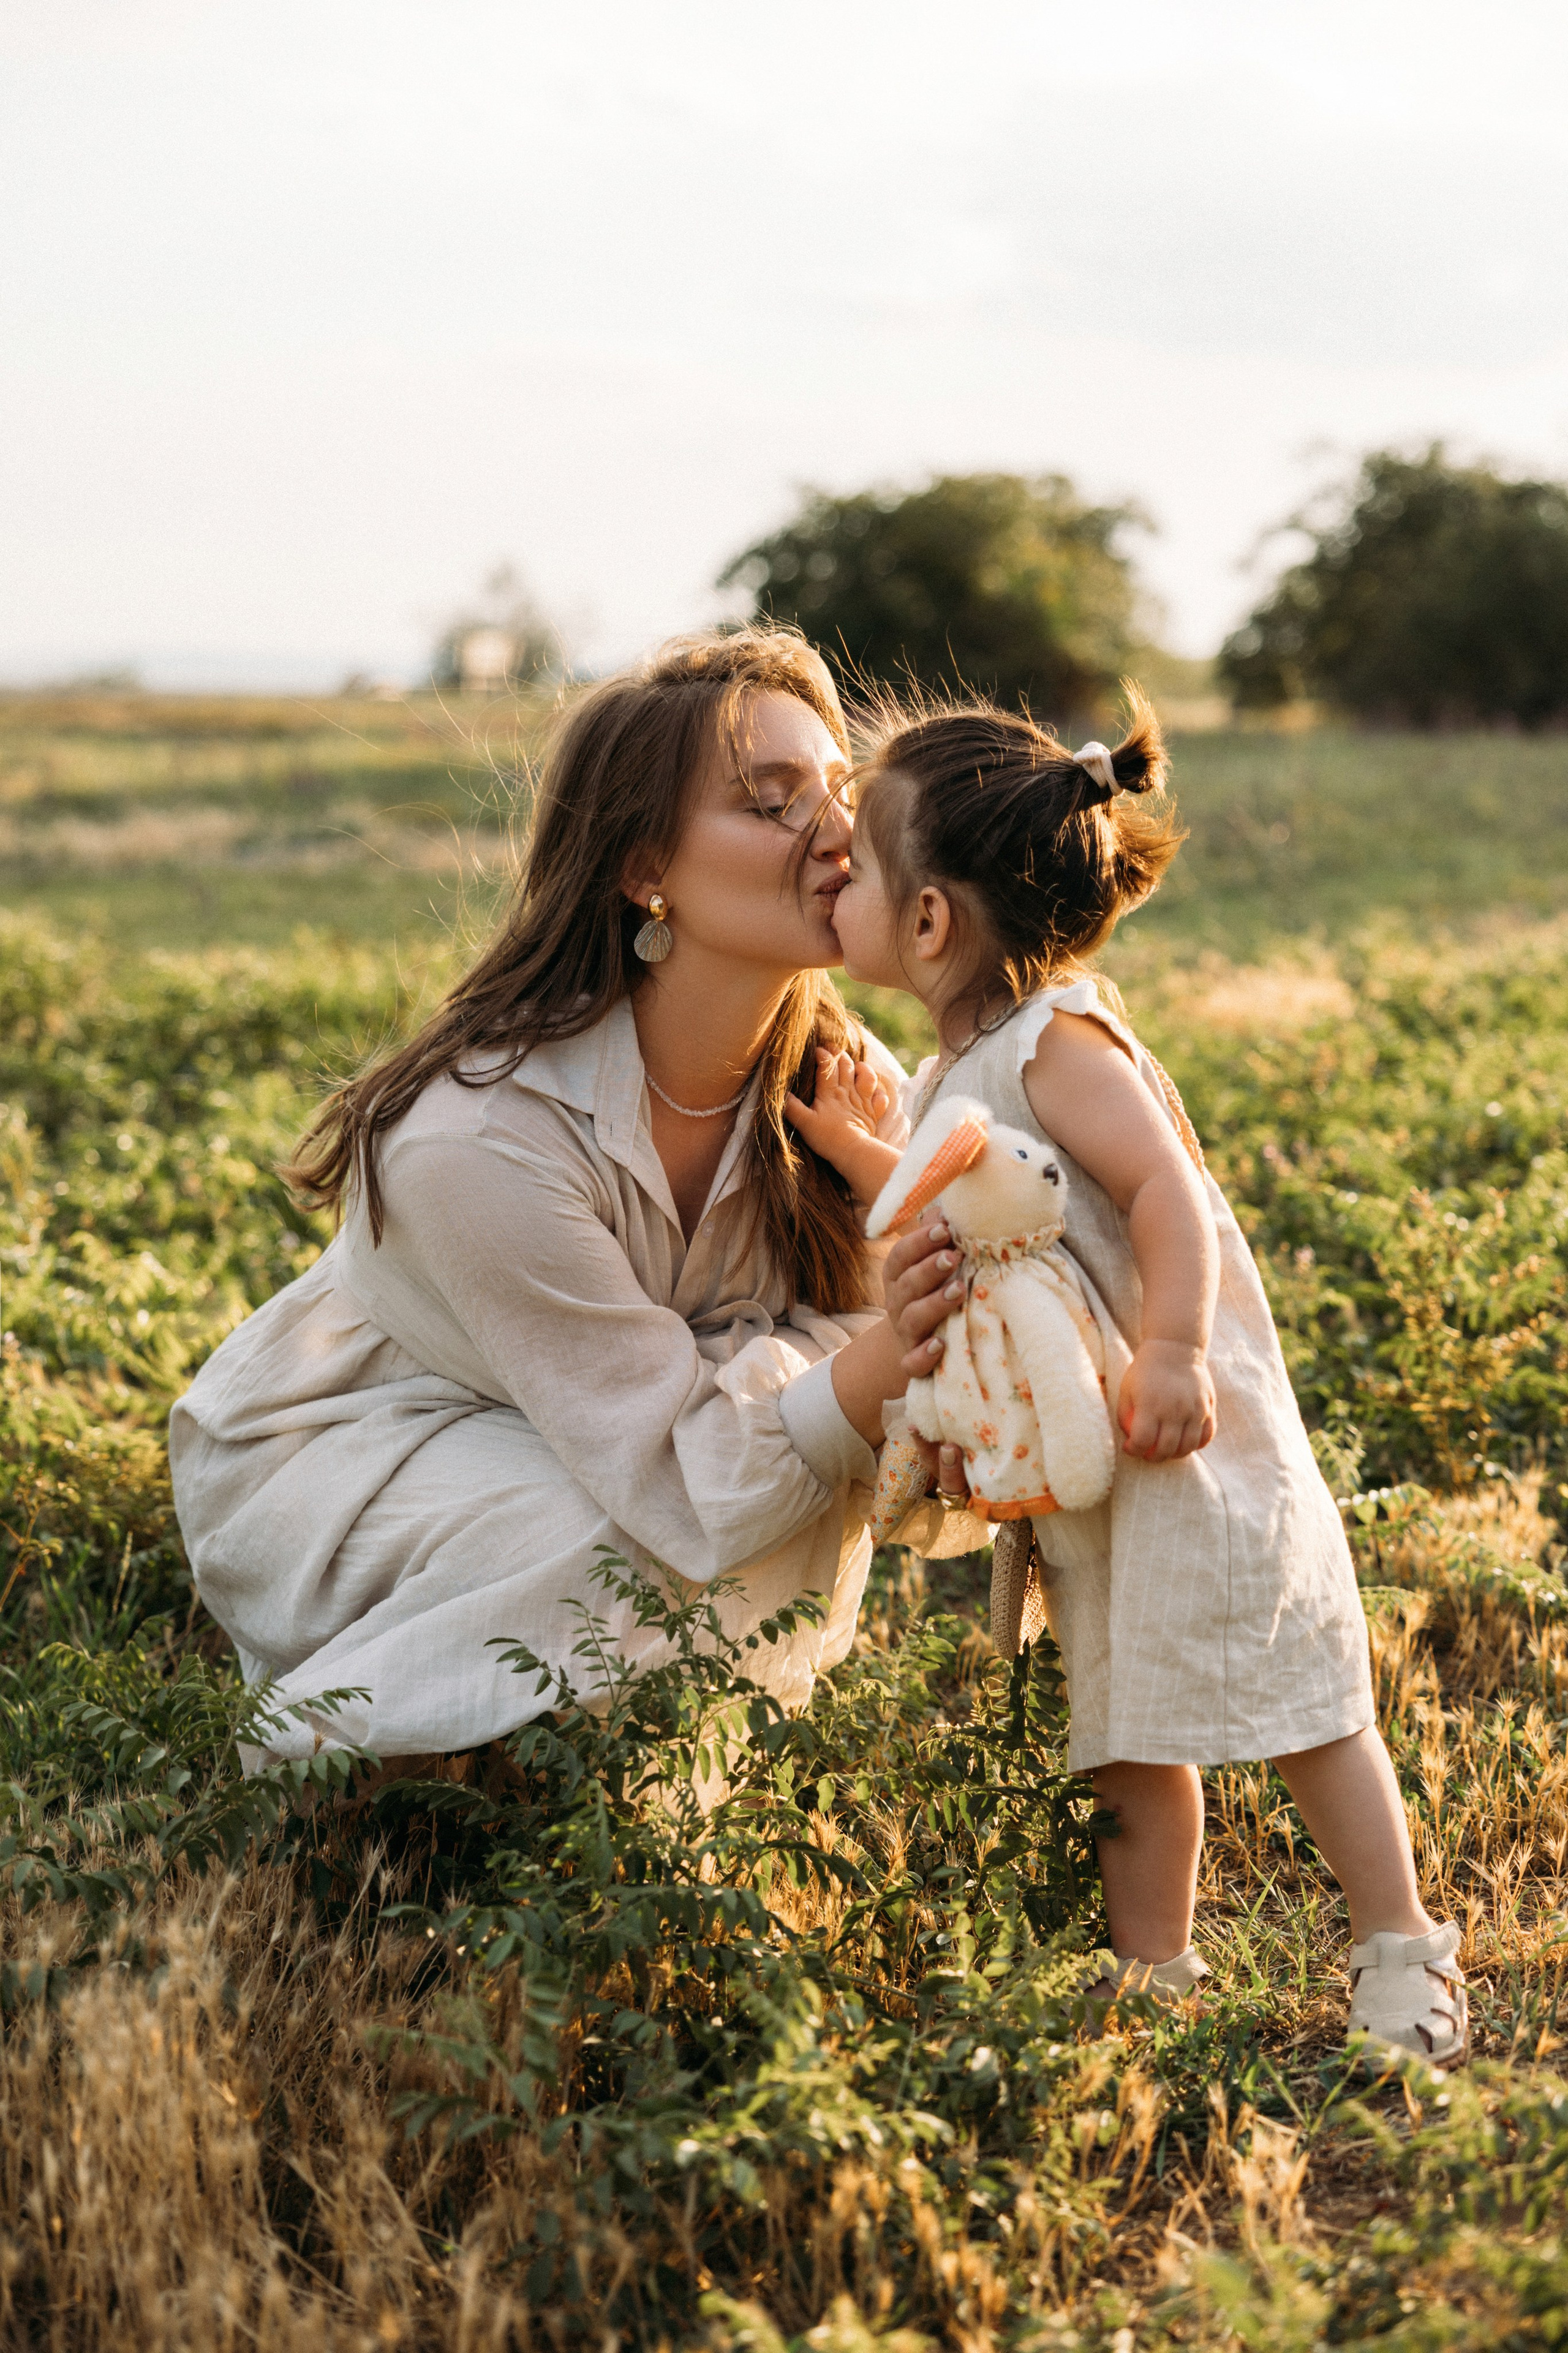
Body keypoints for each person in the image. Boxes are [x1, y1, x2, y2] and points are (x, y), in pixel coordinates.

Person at [786, 688, 1467, 2066]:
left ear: (927, 924)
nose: (831, 881)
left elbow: (1164, 1189)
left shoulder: (1056, 1043)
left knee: (1301, 1701)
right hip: (1084, 1462)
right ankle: (1152, 1974)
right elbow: (960, 1201)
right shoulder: (958, 1063)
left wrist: (1168, 1352)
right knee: (1122, 1726)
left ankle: (1399, 1943)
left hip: (1182, 1433)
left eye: (855, 860)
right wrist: (860, 1150)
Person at [168, 630, 963, 1764]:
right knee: (638, 1541)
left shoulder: (847, 1085)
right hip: (361, 1445)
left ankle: (586, 1774)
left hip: (631, 1438)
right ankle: (321, 1756)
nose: (839, 832)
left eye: (838, 790)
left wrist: (850, 1376)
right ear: (647, 871)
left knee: (742, 1501)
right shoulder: (477, 1136)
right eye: (771, 803)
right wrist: (854, 1364)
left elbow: (915, 1430)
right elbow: (710, 1468)